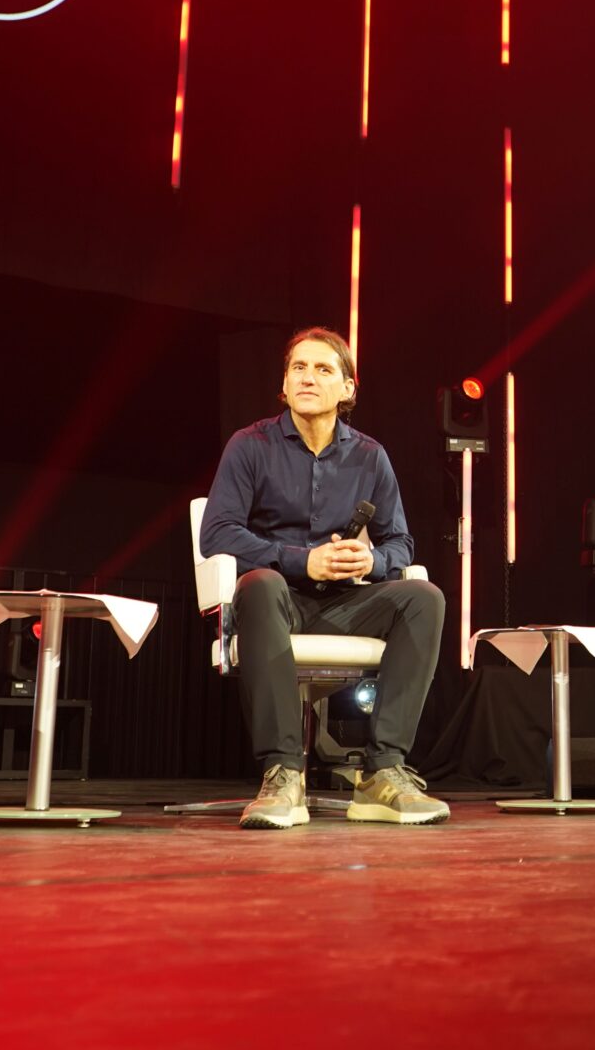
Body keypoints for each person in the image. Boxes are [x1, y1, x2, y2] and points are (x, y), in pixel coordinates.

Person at [200, 327, 449, 829]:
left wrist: (370, 562)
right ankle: (283, 772)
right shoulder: (250, 446)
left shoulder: (370, 456)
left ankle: (383, 772)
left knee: (425, 597)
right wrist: (299, 559)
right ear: (284, 384)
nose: (308, 378)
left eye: (322, 369)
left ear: (348, 389)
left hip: (345, 605)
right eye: (298, 368)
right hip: (275, 603)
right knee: (260, 583)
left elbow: (401, 544)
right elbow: (217, 534)